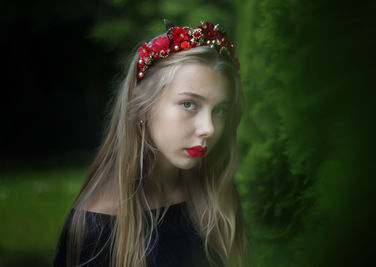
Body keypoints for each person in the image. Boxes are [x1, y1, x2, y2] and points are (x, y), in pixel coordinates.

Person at [53, 20, 247, 267]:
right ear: (143, 108)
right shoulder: (96, 226)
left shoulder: (217, 197)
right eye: (189, 104)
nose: (208, 128)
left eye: (219, 110)